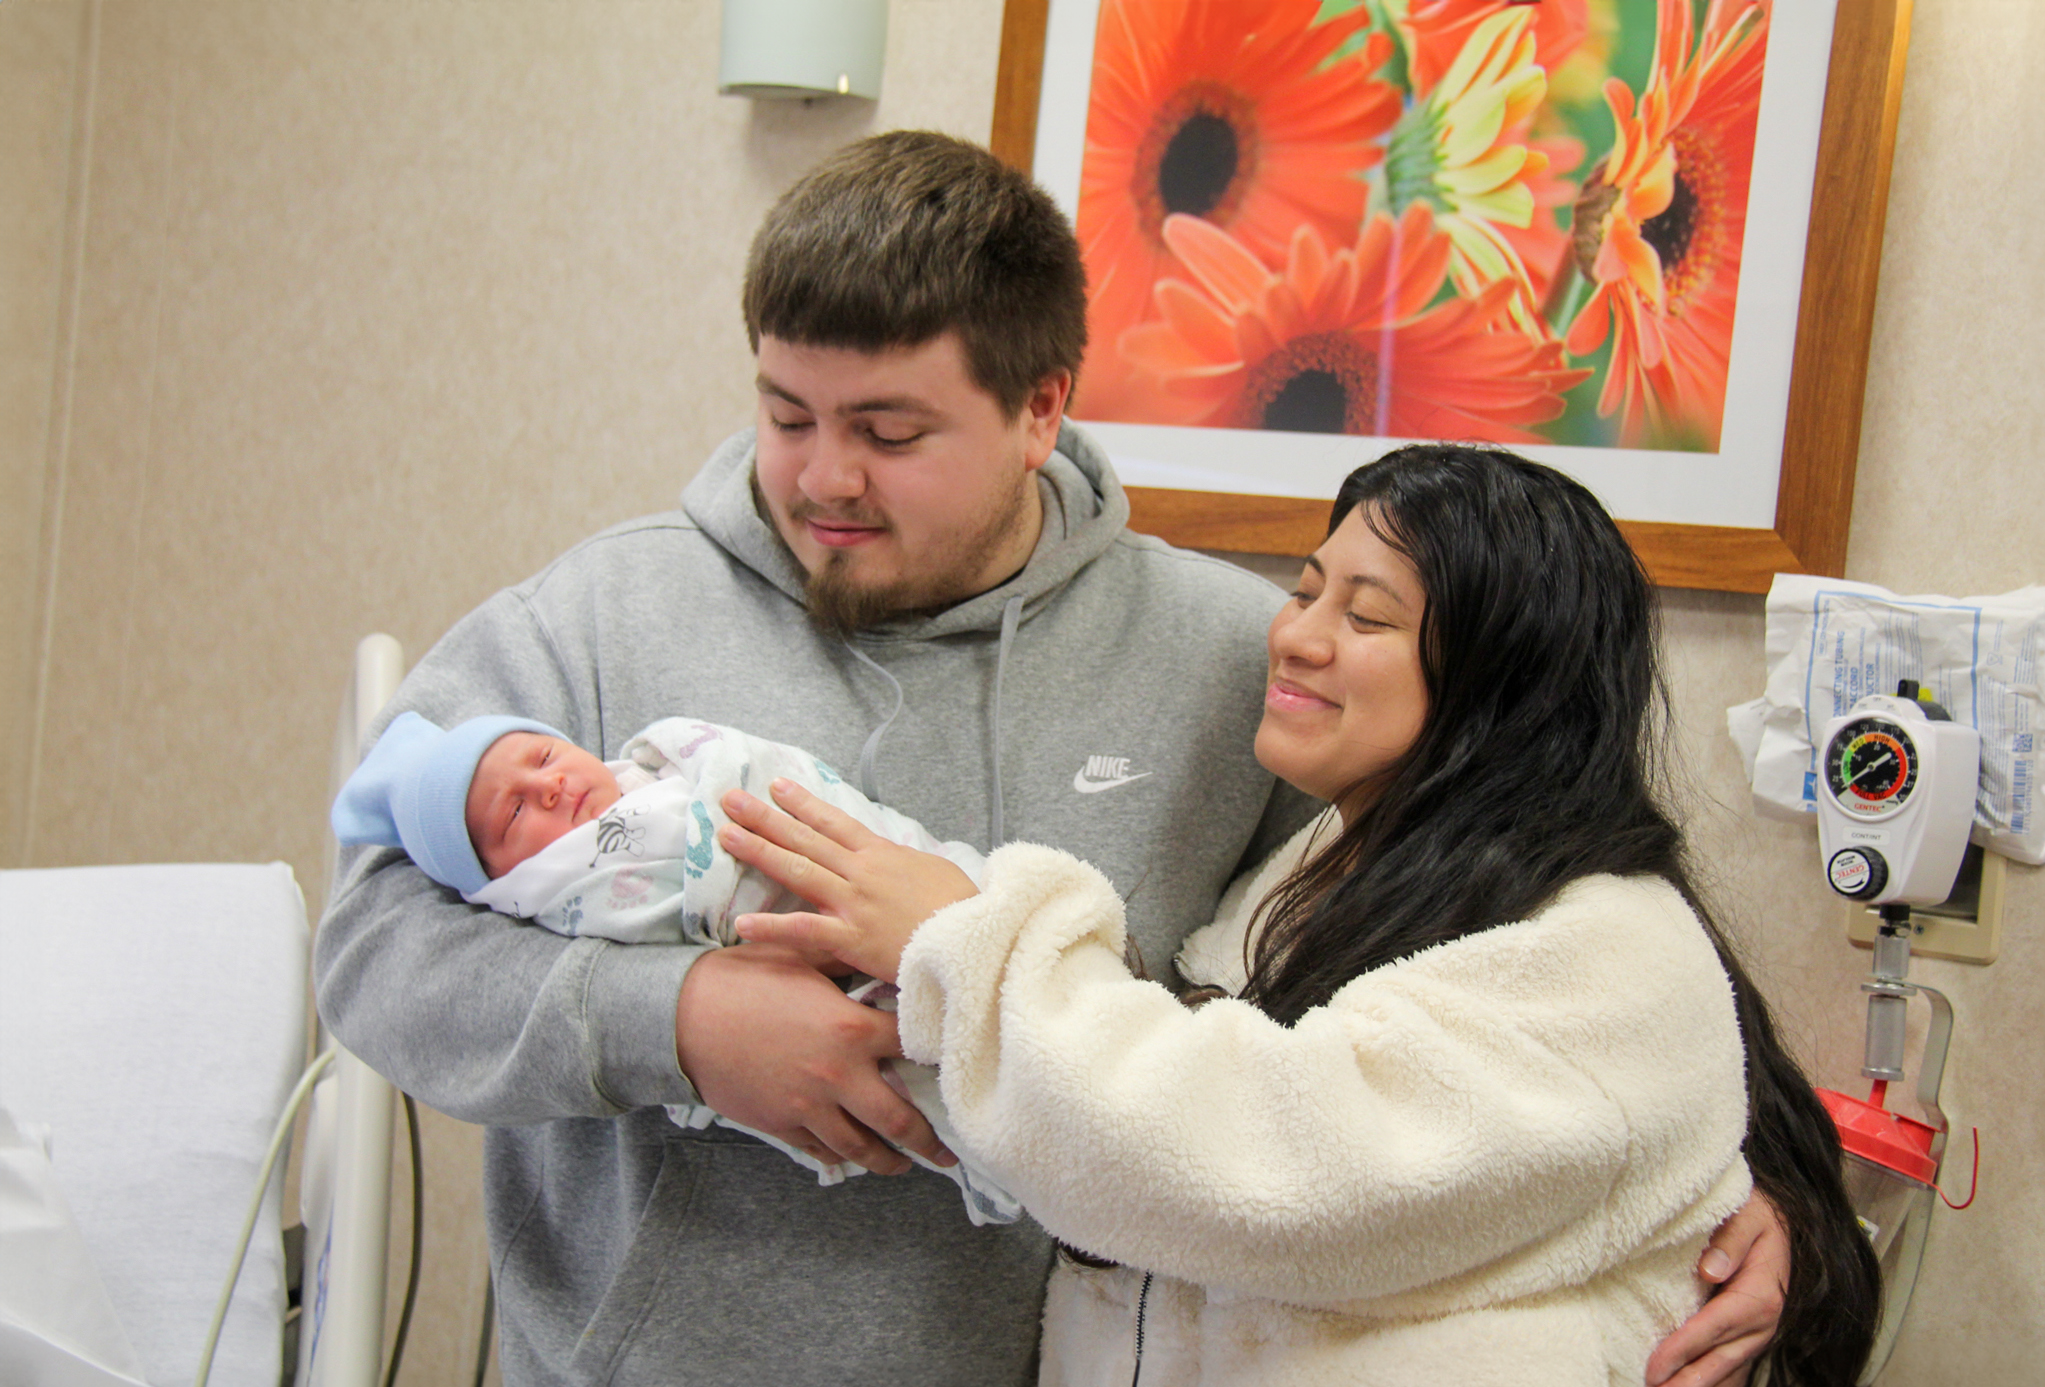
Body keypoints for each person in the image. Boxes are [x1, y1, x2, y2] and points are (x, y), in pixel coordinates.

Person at [314, 131, 1790, 1385]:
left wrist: (1725, 1190)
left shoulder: (1235, 656)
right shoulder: (596, 616)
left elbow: (1521, 885)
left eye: (888, 430)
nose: (822, 476)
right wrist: (676, 1015)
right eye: (784, 414)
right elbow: (373, 948)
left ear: (1039, 409)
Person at [723, 444, 1883, 1387]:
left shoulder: (1601, 944)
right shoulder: (1322, 862)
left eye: (1366, 616)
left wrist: (968, 938)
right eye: (1304, 590)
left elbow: (1254, 1157)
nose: (1294, 635)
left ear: (1501, 679)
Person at [327, 709, 1018, 1222]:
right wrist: (678, 1014)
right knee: (962, 1098)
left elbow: (760, 782)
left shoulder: (661, 773)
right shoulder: (563, 884)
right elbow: (372, 958)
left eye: (543, 756)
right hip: (840, 1010)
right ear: (495, 881)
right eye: (512, 813)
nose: (547, 787)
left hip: (947, 909)